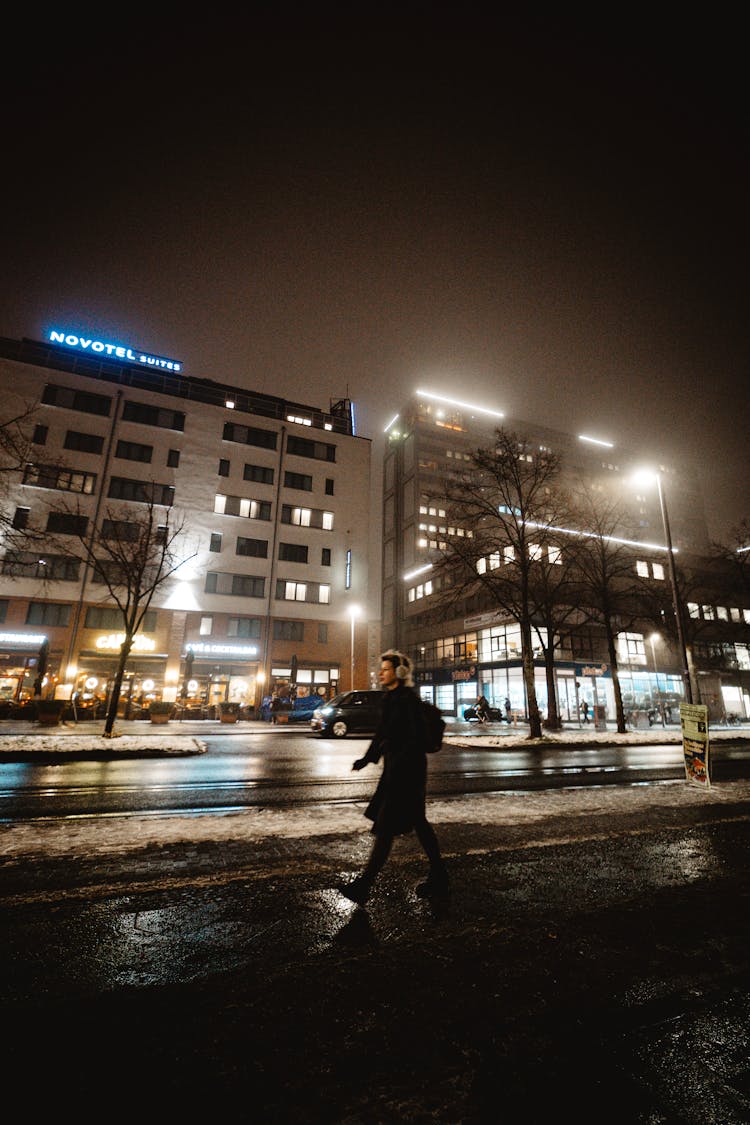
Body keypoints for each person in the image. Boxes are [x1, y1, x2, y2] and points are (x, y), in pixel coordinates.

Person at [338, 650, 449, 906]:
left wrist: (379, 756)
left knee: (386, 828)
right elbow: (383, 734)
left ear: (399, 673)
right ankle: (440, 875)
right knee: (418, 823)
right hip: (400, 771)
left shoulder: (405, 701)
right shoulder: (393, 699)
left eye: (386, 669)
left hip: (405, 773)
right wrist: (367, 759)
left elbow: (405, 737)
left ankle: (364, 886)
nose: (380, 673)